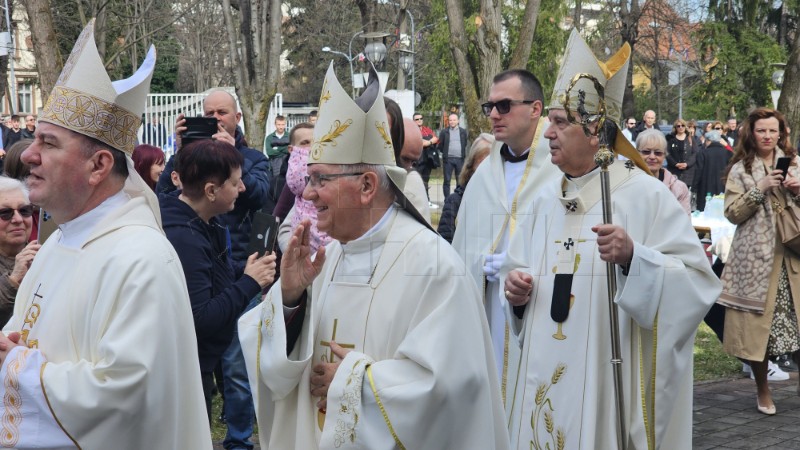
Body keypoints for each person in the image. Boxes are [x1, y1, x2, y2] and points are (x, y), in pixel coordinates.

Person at [238, 63, 509, 450]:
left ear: (366, 185)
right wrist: (291, 299)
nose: (307, 194)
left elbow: (453, 388)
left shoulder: (434, 267)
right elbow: (279, 372)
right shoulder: (328, 259)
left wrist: (353, 384)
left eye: (320, 180)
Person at [502, 29, 720, 449]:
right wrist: (515, 294)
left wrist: (634, 259)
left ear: (596, 131)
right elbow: (519, 271)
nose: (548, 133)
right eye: (550, 121)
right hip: (545, 383)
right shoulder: (545, 203)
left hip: (607, 384)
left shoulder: (645, 197)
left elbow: (698, 284)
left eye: (561, 122)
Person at [0, 20, 211, 448]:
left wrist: (18, 364)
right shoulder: (58, 239)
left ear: (98, 166)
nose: (31, 155)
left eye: (49, 143)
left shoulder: (140, 258)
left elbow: (126, 394)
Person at [157, 89, 271, 450]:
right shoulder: (185, 235)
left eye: (222, 111)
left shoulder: (207, 220)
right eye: (234, 182)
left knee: (236, 374)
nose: (240, 188)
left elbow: (259, 195)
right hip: (187, 367)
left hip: (195, 365)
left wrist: (243, 269)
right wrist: (250, 282)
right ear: (210, 190)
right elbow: (202, 319)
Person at [451, 69, 561, 411]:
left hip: (540, 310)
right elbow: (463, 245)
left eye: (504, 105)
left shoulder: (561, 169)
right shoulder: (483, 174)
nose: (494, 114)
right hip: (487, 312)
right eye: (490, 106)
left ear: (535, 108)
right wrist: (479, 265)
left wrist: (524, 267)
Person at [717, 107, 800, 416]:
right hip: (755, 260)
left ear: (781, 133)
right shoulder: (740, 168)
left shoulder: (795, 164)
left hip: (792, 255)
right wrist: (760, 190)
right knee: (757, 332)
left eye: (773, 130)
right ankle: (762, 390)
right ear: (751, 133)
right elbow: (732, 213)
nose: (767, 136)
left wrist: (797, 189)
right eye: (761, 130)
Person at [437, 133, 492, 242]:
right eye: (482, 163)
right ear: (471, 165)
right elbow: (445, 245)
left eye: (492, 163)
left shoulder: (505, 202)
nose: (486, 170)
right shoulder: (455, 202)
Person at [0, 177, 40, 326]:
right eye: (5, 213)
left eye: (24, 211)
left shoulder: (45, 253)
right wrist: (14, 279)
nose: (18, 219)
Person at [637, 129, 691, 213]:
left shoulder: (679, 189)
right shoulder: (625, 184)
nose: (652, 156)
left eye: (658, 153)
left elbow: (684, 224)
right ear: (637, 154)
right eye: (646, 152)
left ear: (664, 155)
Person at [693, 129, 732, 211]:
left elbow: (698, 171)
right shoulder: (728, 153)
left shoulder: (703, 153)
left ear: (708, 141)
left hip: (705, 189)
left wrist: (694, 188)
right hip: (723, 188)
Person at [437, 112, 468, 198]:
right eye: (450, 120)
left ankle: (458, 198)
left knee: (460, 180)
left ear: (458, 121)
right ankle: (447, 199)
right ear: (448, 121)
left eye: (454, 120)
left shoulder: (463, 132)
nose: (452, 122)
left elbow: (464, 143)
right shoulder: (444, 132)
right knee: (447, 181)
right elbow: (440, 145)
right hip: (448, 160)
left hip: (460, 159)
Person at [413, 112, 440, 208]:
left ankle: (426, 200)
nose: (419, 120)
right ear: (414, 121)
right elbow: (419, 143)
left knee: (426, 181)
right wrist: (430, 141)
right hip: (417, 160)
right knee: (417, 181)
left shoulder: (427, 130)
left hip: (427, 160)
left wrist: (427, 141)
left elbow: (436, 138)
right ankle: (416, 201)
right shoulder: (413, 130)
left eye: (421, 118)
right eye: (417, 119)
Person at [666, 118, 697, 190]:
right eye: (678, 126)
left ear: (685, 127)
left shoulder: (690, 138)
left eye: (682, 125)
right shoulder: (670, 139)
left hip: (687, 173)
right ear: (675, 128)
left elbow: (695, 153)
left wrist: (687, 164)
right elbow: (667, 153)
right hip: (674, 172)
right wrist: (675, 164)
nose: (680, 127)